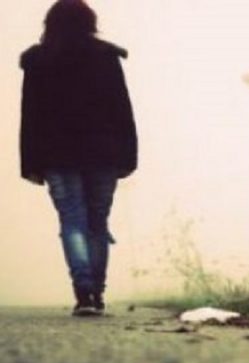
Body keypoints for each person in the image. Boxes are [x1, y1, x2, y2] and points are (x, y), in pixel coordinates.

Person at [19, 0, 137, 316]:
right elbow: (122, 110)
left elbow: (31, 116)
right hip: (103, 152)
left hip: (57, 154)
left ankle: (83, 292)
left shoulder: (39, 61)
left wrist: (30, 163)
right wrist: (128, 156)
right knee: (98, 222)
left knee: (72, 221)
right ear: (90, 23)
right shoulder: (106, 57)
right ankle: (97, 292)